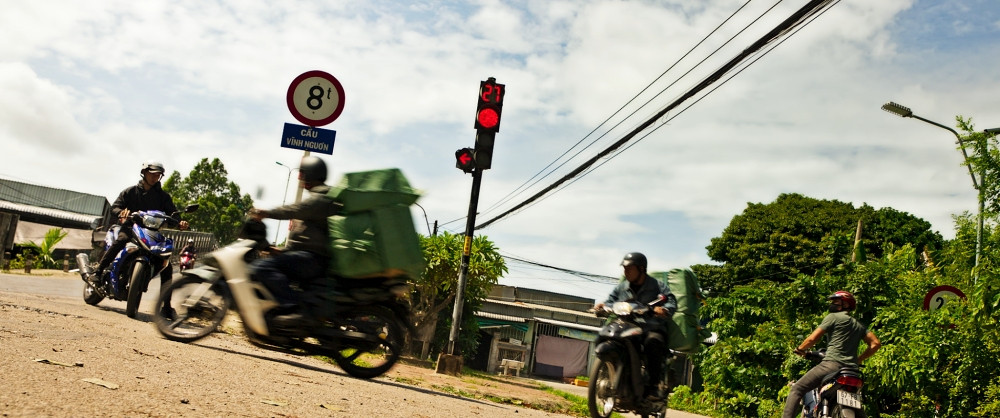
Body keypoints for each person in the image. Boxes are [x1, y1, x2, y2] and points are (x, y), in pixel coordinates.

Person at [248, 156, 342, 326]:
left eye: (302, 174)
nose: (300, 178)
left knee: (262, 267)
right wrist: (282, 251)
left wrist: (266, 213)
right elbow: (305, 235)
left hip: (313, 259)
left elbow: (295, 210)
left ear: (309, 175)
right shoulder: (320, 196)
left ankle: (293, 309)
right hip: (310, 256)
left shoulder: (320, 197)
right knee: (271, 264)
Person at [92, 160, 189, 318]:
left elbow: (173, 214)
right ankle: (98, 272)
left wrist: (181, 222)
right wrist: (121, 212)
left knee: (167, 266)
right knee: (121, 240)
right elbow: (115, 207)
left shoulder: (163, 197)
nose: (155, 177)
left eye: (158, 175)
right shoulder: (130, 192)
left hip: (152, 234)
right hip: (130, 229)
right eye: (152, 174)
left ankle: (166, 306)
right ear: (144, 173)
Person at [781, 291, 881, 418]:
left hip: (831, 366)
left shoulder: (833, 317)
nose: (833, 304)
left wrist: (800, 349)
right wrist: (859, 359)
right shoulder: (859, 325)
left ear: (845, 304)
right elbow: (876, 343)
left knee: (797, 389)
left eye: (836, 301)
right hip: (852, 371)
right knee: (858, 407)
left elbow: (812, 339)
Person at [593, 252, 678, 400]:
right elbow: (611, 301)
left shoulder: (657, 286)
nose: (626, 272)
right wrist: (603, 305)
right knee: (603, 336)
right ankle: (609, 372)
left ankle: (653, 386)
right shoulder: (622, 287)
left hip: (650, 327)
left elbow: (670, 301)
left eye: (629, 269)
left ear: (641, 269)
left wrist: (664, 309)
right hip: (626, 325)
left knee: (654, 342)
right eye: (624, 269)